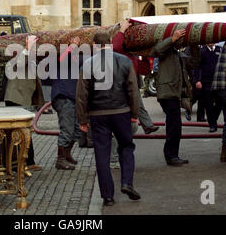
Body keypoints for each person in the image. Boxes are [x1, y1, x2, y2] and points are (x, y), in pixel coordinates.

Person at [76, 31, 141, 206]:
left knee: (102, 154)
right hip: (121, 111)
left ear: (95, 45)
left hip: (98, 114)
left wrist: (82, 119)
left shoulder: (88, 64)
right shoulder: (124, 61)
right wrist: (134, 114)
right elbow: (133, 90)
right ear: (111, 42)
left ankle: (108, 196)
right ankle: (127, 182)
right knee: (126, 147)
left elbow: (82, 94)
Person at [151, 29, 199, 166]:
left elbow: (194, 63)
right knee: (174, 125)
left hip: (174, 93)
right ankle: (171, 156)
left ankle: (173, 155)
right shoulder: (164, 52)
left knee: (175, 125)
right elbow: (157, 50)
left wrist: (194, 46)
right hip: (167, 93)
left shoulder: (178, 55)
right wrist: (173, 38)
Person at [4, 35, 44, 171]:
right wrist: (28, 48)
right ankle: (19, 162)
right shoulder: (15, 60)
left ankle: (29, 161)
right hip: (16, 99)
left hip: (23, 99)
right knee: (19, 132)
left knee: (26, 131)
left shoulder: (29, 59)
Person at [113, 20, 160, 134]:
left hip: (131, 82)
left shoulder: (132, 54)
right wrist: (122, 30)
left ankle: (147, 125)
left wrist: (144, 56)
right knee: (135, 104)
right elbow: (115, 46)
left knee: (137, 103)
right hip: (121, 82)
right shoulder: (121, 50)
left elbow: (144, 70)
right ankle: (145, 125)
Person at [51, 36, 83, 170]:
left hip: (73, 98)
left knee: (76, 130)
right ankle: (60, 160)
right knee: (67, 130)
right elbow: (61, 59)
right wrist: (73, 46)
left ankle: (67, 154)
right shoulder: (63, 56)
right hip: (64, 97)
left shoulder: (77, 59)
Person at [194, 43, 223, 132]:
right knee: (208, 104)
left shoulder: (219, 50)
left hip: (218, 81)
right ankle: (212, 125)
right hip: (206, 81)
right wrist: (198, 80)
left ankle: (213, 118)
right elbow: (197, 67)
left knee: (219, 103)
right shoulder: (202, 51)